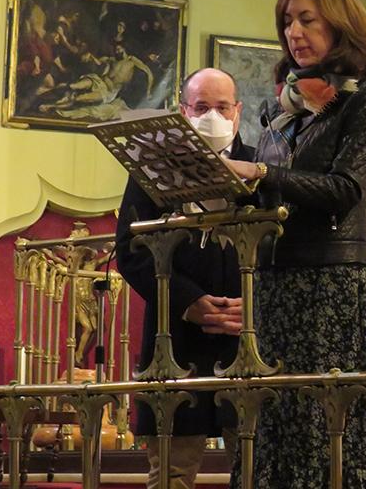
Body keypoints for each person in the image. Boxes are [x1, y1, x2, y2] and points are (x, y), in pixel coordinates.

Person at [223, 0, 366, 489]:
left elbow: (345, 190)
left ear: (339, 24)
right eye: (286, 22)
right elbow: (273, 192)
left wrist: (262, 173)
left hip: (328, 280)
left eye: (306, 19)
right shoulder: (280, 109)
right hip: (274, 279)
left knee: (323, 423)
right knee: (273, 420)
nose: (293, 31)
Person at [116, 68, 251, 489]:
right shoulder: (151, 170)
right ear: (182, 111)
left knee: (256, 470)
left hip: (246, 340)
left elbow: (282, 249)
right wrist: (189, 302)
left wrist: (256, 302)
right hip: (174, 339)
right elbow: (131, 253)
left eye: (221, 107)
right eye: (201, 107)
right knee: (171, 475)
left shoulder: (265, 167)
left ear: (238, 112)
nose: (212, 115)